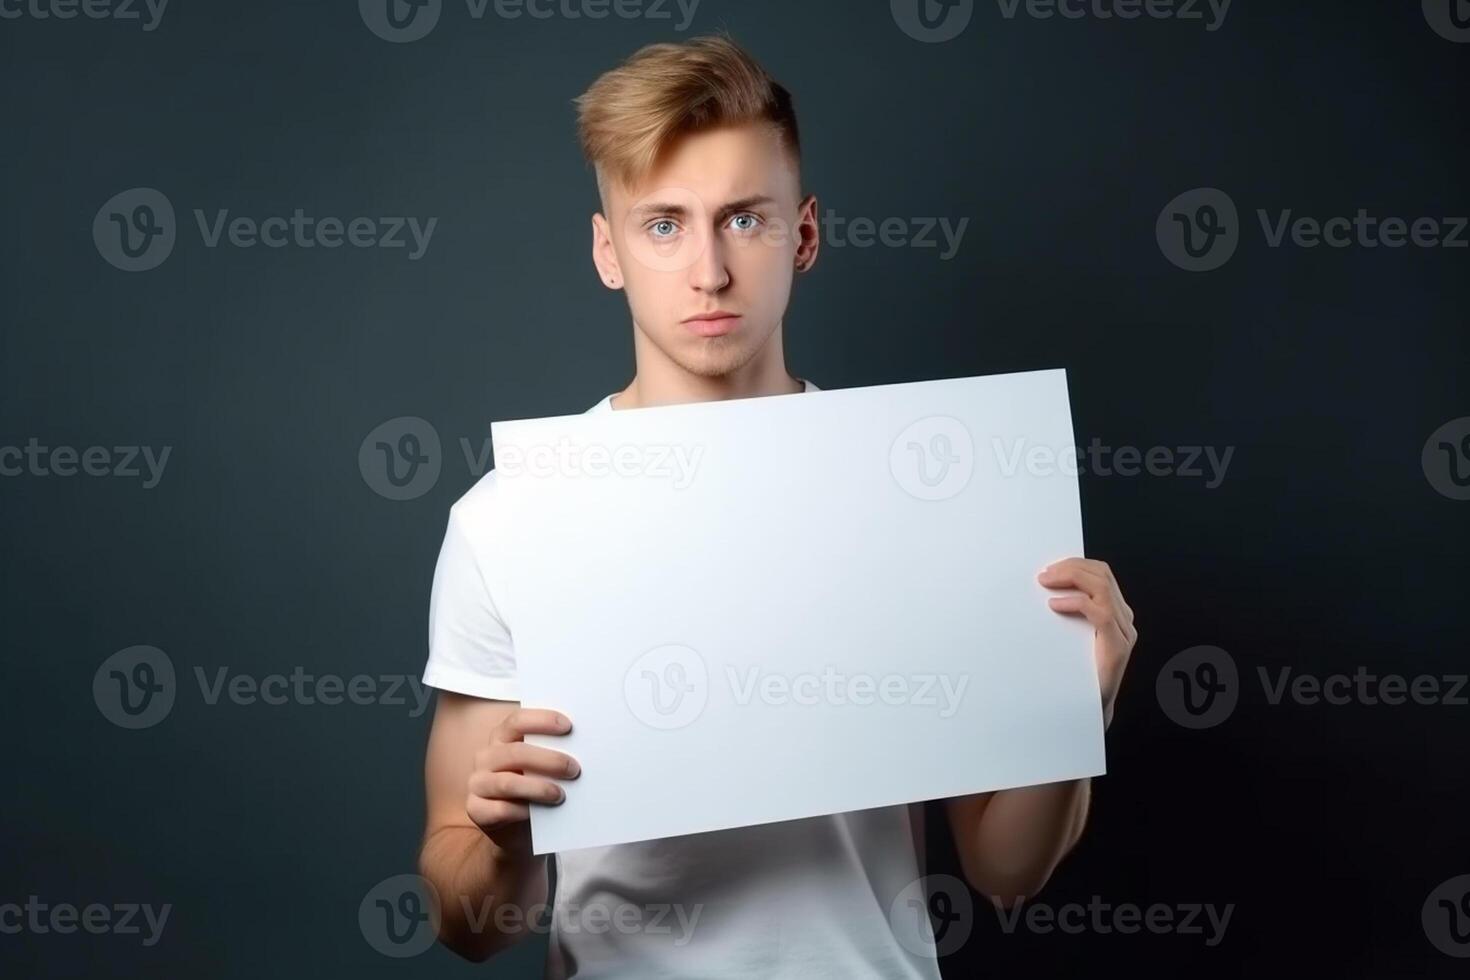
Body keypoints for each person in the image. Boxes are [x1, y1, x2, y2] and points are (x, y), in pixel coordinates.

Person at [417, 33, 1137, 978]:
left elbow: (1005, 868)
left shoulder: (922, 491)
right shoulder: (510, 517)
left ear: (802, 233)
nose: (707, 272)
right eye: (664, 224)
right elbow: (467, 920)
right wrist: (503, 842)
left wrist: (1075, 702)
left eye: (742, 220)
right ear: (609, 250)